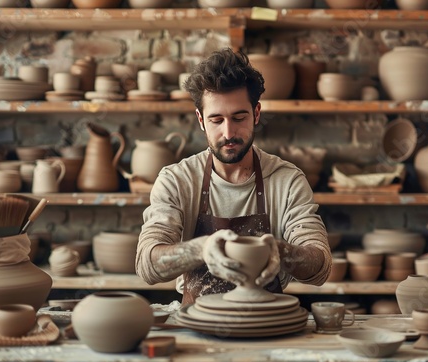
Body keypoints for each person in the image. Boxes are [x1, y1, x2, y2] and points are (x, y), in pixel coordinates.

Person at [136, 48, 332, 305]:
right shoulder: (177, 180)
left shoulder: (287, 180)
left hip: (266, 324)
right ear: (201, 120)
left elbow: (321, 267)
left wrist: (281, 252)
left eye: (239, 117)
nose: (229, 133)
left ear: (257, 113)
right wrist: (201, 249)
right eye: (216, 120)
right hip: (198, 323)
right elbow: (147, 265)